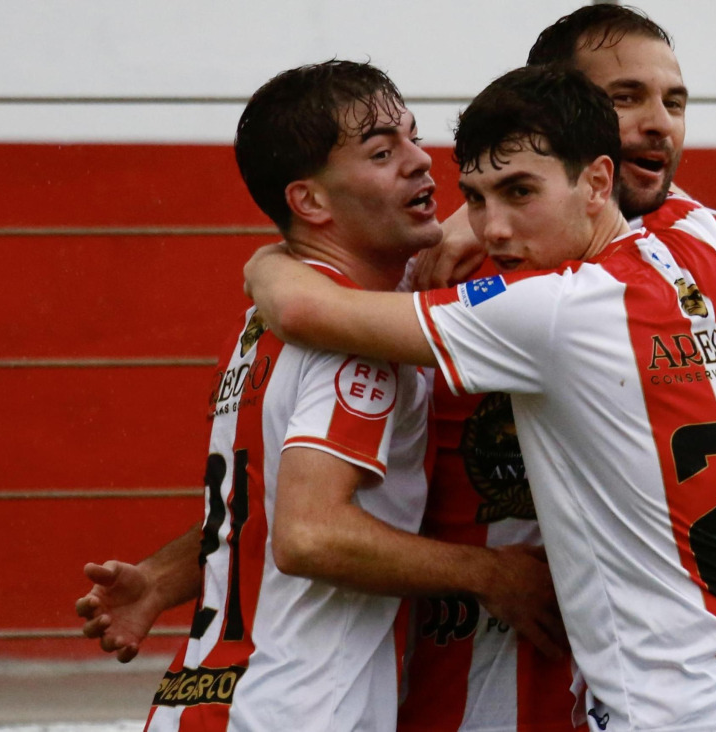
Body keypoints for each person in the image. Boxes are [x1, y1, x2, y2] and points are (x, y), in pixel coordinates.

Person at [244, 60, 716, 732]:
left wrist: (269, 259)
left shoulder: (552, 310)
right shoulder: (703, 257)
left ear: (599, 180)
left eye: (519, 192)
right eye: (478, 199)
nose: (490, 230)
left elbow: (307, 312)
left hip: (671, 716)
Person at [76, 60, 563, 731]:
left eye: (414, 137)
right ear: (309, 202)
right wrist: (493, 575)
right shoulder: (356, 334)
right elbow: (310, 534)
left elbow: (266, 504)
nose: (423, 162)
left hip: (204, 698)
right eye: (383, 152)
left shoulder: (266, 317)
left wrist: (161, 579)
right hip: (301, 709)